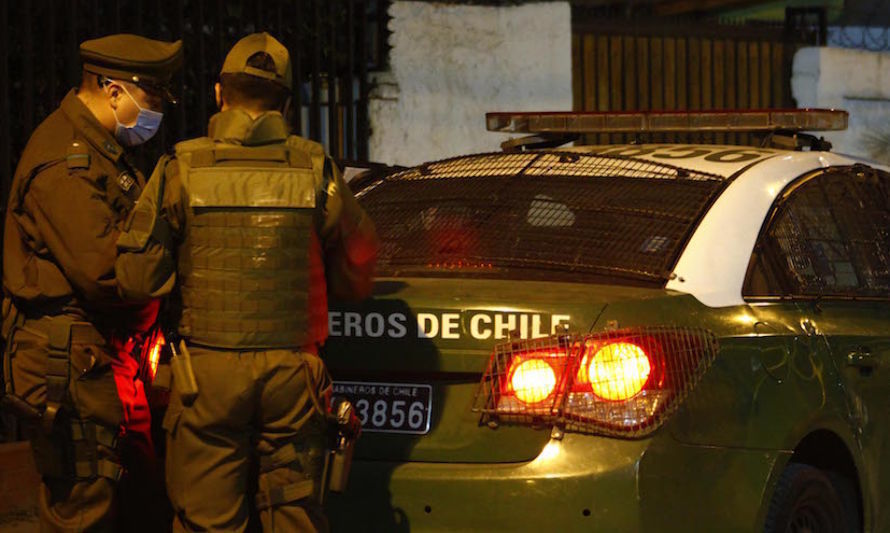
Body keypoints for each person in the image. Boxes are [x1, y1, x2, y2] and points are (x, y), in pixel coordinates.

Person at [115, 32, 377, 531]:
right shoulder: (315, 168)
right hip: (293, 371)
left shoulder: (180, 166)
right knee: (296, 512)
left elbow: (137, 277)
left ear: (219, 93)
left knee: (207, 521)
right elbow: (359, 264)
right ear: (285, 102)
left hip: (207, 375)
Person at [1, 34, 182, 530]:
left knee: (134, 500)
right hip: (72, 366)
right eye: (151, 99)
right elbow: (103, 271)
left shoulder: (101, 151)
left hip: (103, 359)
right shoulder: (66, 162)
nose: (157, 113)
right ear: (113, 89)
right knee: (88, 507)